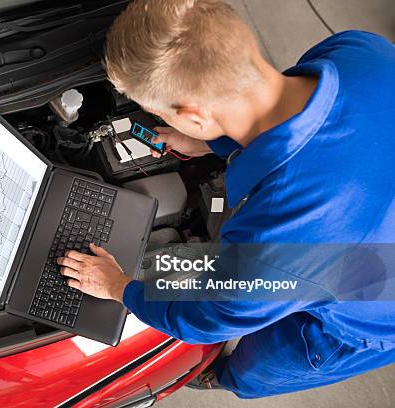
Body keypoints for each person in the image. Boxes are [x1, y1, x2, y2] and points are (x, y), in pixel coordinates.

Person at [56, 0, 395, 399]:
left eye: (159, 112)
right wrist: (212, 140)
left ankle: (222, 378)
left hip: (373, 309)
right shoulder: (361, 51)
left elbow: (206, 319)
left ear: (195, 114)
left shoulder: (281, 235)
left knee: (265, 364)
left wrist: (118, 286)